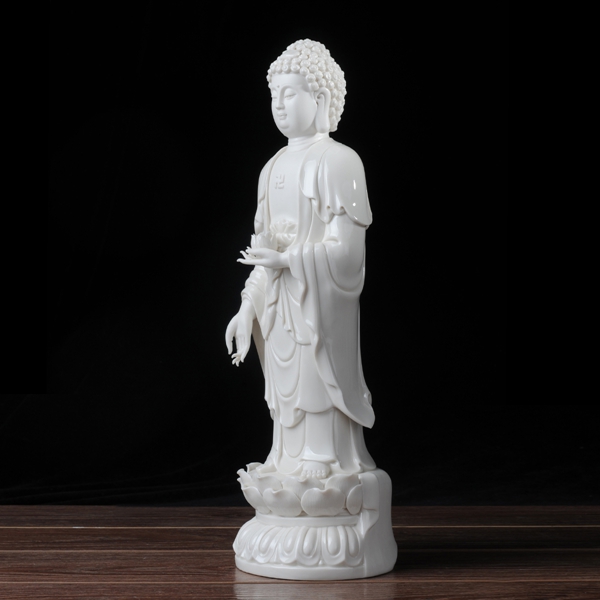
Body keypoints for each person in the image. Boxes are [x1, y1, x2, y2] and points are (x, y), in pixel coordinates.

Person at [226, 39, 376, 480]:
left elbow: (348, 253)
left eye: (290, 93)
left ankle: (324, 458)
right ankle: (286, 458)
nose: (279, 104)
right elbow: (261, 252)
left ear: (321, 98)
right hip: (278, 311)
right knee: (285, 394)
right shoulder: (271, 168)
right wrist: (246, 309)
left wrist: (290, 260)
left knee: (316, 379)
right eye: (274, 94)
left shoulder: (340, 161)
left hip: (317, 307)